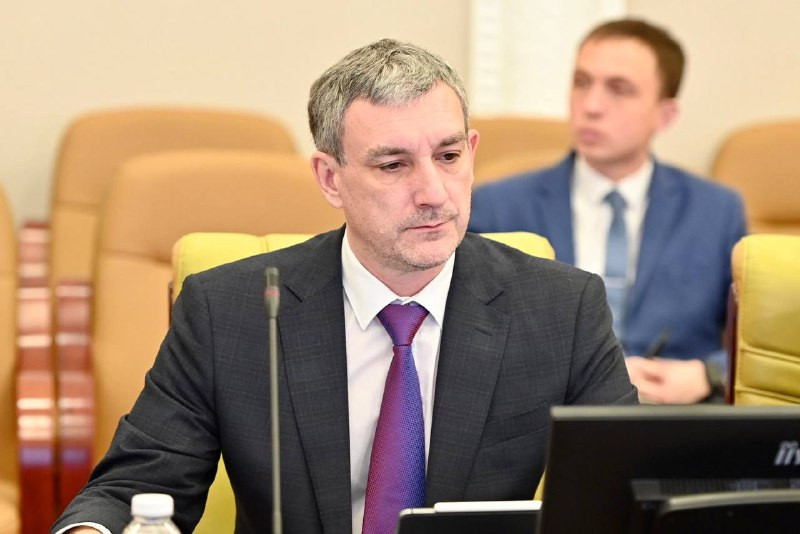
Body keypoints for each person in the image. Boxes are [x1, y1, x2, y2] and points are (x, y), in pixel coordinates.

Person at [54, 39, 636, 534]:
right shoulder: (228, 311)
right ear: (330, 178)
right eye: (393, 165)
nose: (434, 192)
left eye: (448, 155)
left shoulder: (562, 309)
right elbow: (134, 488)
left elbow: (629, 496)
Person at [469, 19, 746, 405]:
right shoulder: (497, 205)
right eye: (582, 83)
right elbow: (468, 336)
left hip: (676, 417)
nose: (591, 106)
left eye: (619, 89)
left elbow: (760, 344)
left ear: (665, 114)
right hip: (549, 417)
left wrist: (709, 373)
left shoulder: (716, 210)